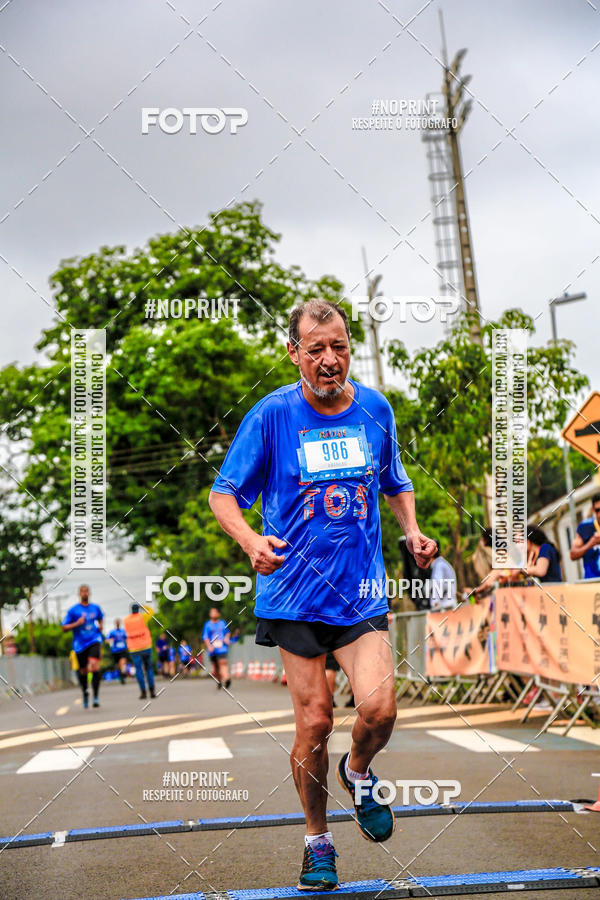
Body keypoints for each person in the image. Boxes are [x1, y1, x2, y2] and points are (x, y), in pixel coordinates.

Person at [209, 298, 435, 891]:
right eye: (316, 349)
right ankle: (317, 842)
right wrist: (250, 540)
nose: (329, 359)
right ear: (294, 353)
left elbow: (395, 481)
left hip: (360, 592)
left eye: (339, 347)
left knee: (380, 710)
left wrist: (412, 530)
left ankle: (357, 773)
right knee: (315, 722)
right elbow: (222, 494)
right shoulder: (271, 415)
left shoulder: (375, 409)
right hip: (293, 593)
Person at [61, 585, 104, 709]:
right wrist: (77, 623)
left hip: (94, 640)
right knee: (83, 671)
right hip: (80, 645)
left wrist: (101, 626)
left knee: (94, 666)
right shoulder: (73, 610)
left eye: (86, 591)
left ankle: (95, 697)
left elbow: (100, 618)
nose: (85, 593)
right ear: (79, 594)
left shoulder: (95, 608)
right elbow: (64, 628)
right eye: (82, 591)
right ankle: (85, 693)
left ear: (89, 593)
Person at [123, 603, 156, 699]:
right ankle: (152, 691)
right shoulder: (142, 617)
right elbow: (151, 611)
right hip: (146, 646)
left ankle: (143, 692)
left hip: (134, 648)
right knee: (148, 668)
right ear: (138, 609)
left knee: (138, 670)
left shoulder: (126, 620)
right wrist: (143, 606)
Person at [570, 492, 600, 579]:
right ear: (593, 510)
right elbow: (573, 554)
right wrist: (591, 543)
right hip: (593, 581)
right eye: (598, 510)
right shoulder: (585, 527)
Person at [202, 608, 231, 688]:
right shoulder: (207, 625)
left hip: (222, 647)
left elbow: (227, 633)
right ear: (210, 614)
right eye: (212, 612)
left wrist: (227, 638)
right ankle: (219, 681)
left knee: (223, 662)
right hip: (212, 649)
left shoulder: (222, 623)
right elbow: (205, 637)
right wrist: (209, 646)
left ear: (218, 614)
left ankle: (227, 679)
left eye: (215, 612)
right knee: (216, 667)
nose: (214, 614)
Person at [428, 542, 457, 611]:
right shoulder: (443, 564)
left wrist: (435, 603)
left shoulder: (438, 566)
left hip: (445, 607)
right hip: (450, 604)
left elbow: (438, 584)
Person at [106, 618, 128, 684]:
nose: (118, 623)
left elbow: (127, 638)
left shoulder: (123, 631)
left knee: (123, 662)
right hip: (115, 651)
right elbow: (106, 640)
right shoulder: (112, 632)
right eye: (117, 622)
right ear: (115, 623)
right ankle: (121, 674)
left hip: (123, 649)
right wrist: (110, 640)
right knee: (118, 665)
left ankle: (123, 674)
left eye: (119, 622)